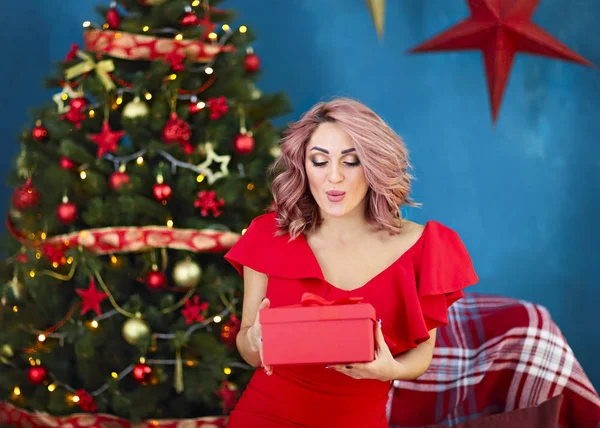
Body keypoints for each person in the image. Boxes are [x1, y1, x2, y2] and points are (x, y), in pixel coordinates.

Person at [223, 97, 478, 427]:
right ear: (304, 167)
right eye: (319, 161)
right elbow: (247, 342)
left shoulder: (425, 246)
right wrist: (255, 340)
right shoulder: (266, 235)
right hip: (265, 415)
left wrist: (392, 370)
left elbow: (421, 355)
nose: (334, 177)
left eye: (350, 162)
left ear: (373, 166)